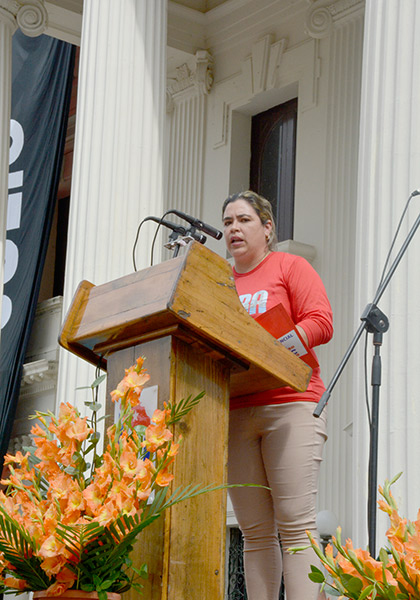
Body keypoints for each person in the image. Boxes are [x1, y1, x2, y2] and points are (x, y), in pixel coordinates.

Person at [223, 191, 333, 600]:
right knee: (253, 530)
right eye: (229, 221)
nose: (234, 227)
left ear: (267, 228)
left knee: (295, 523)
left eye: (245, 220)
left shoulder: (289, 266)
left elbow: (321, 321)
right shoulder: (217, 280)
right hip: (236, 408)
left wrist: (271, 348)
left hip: (291, 403)